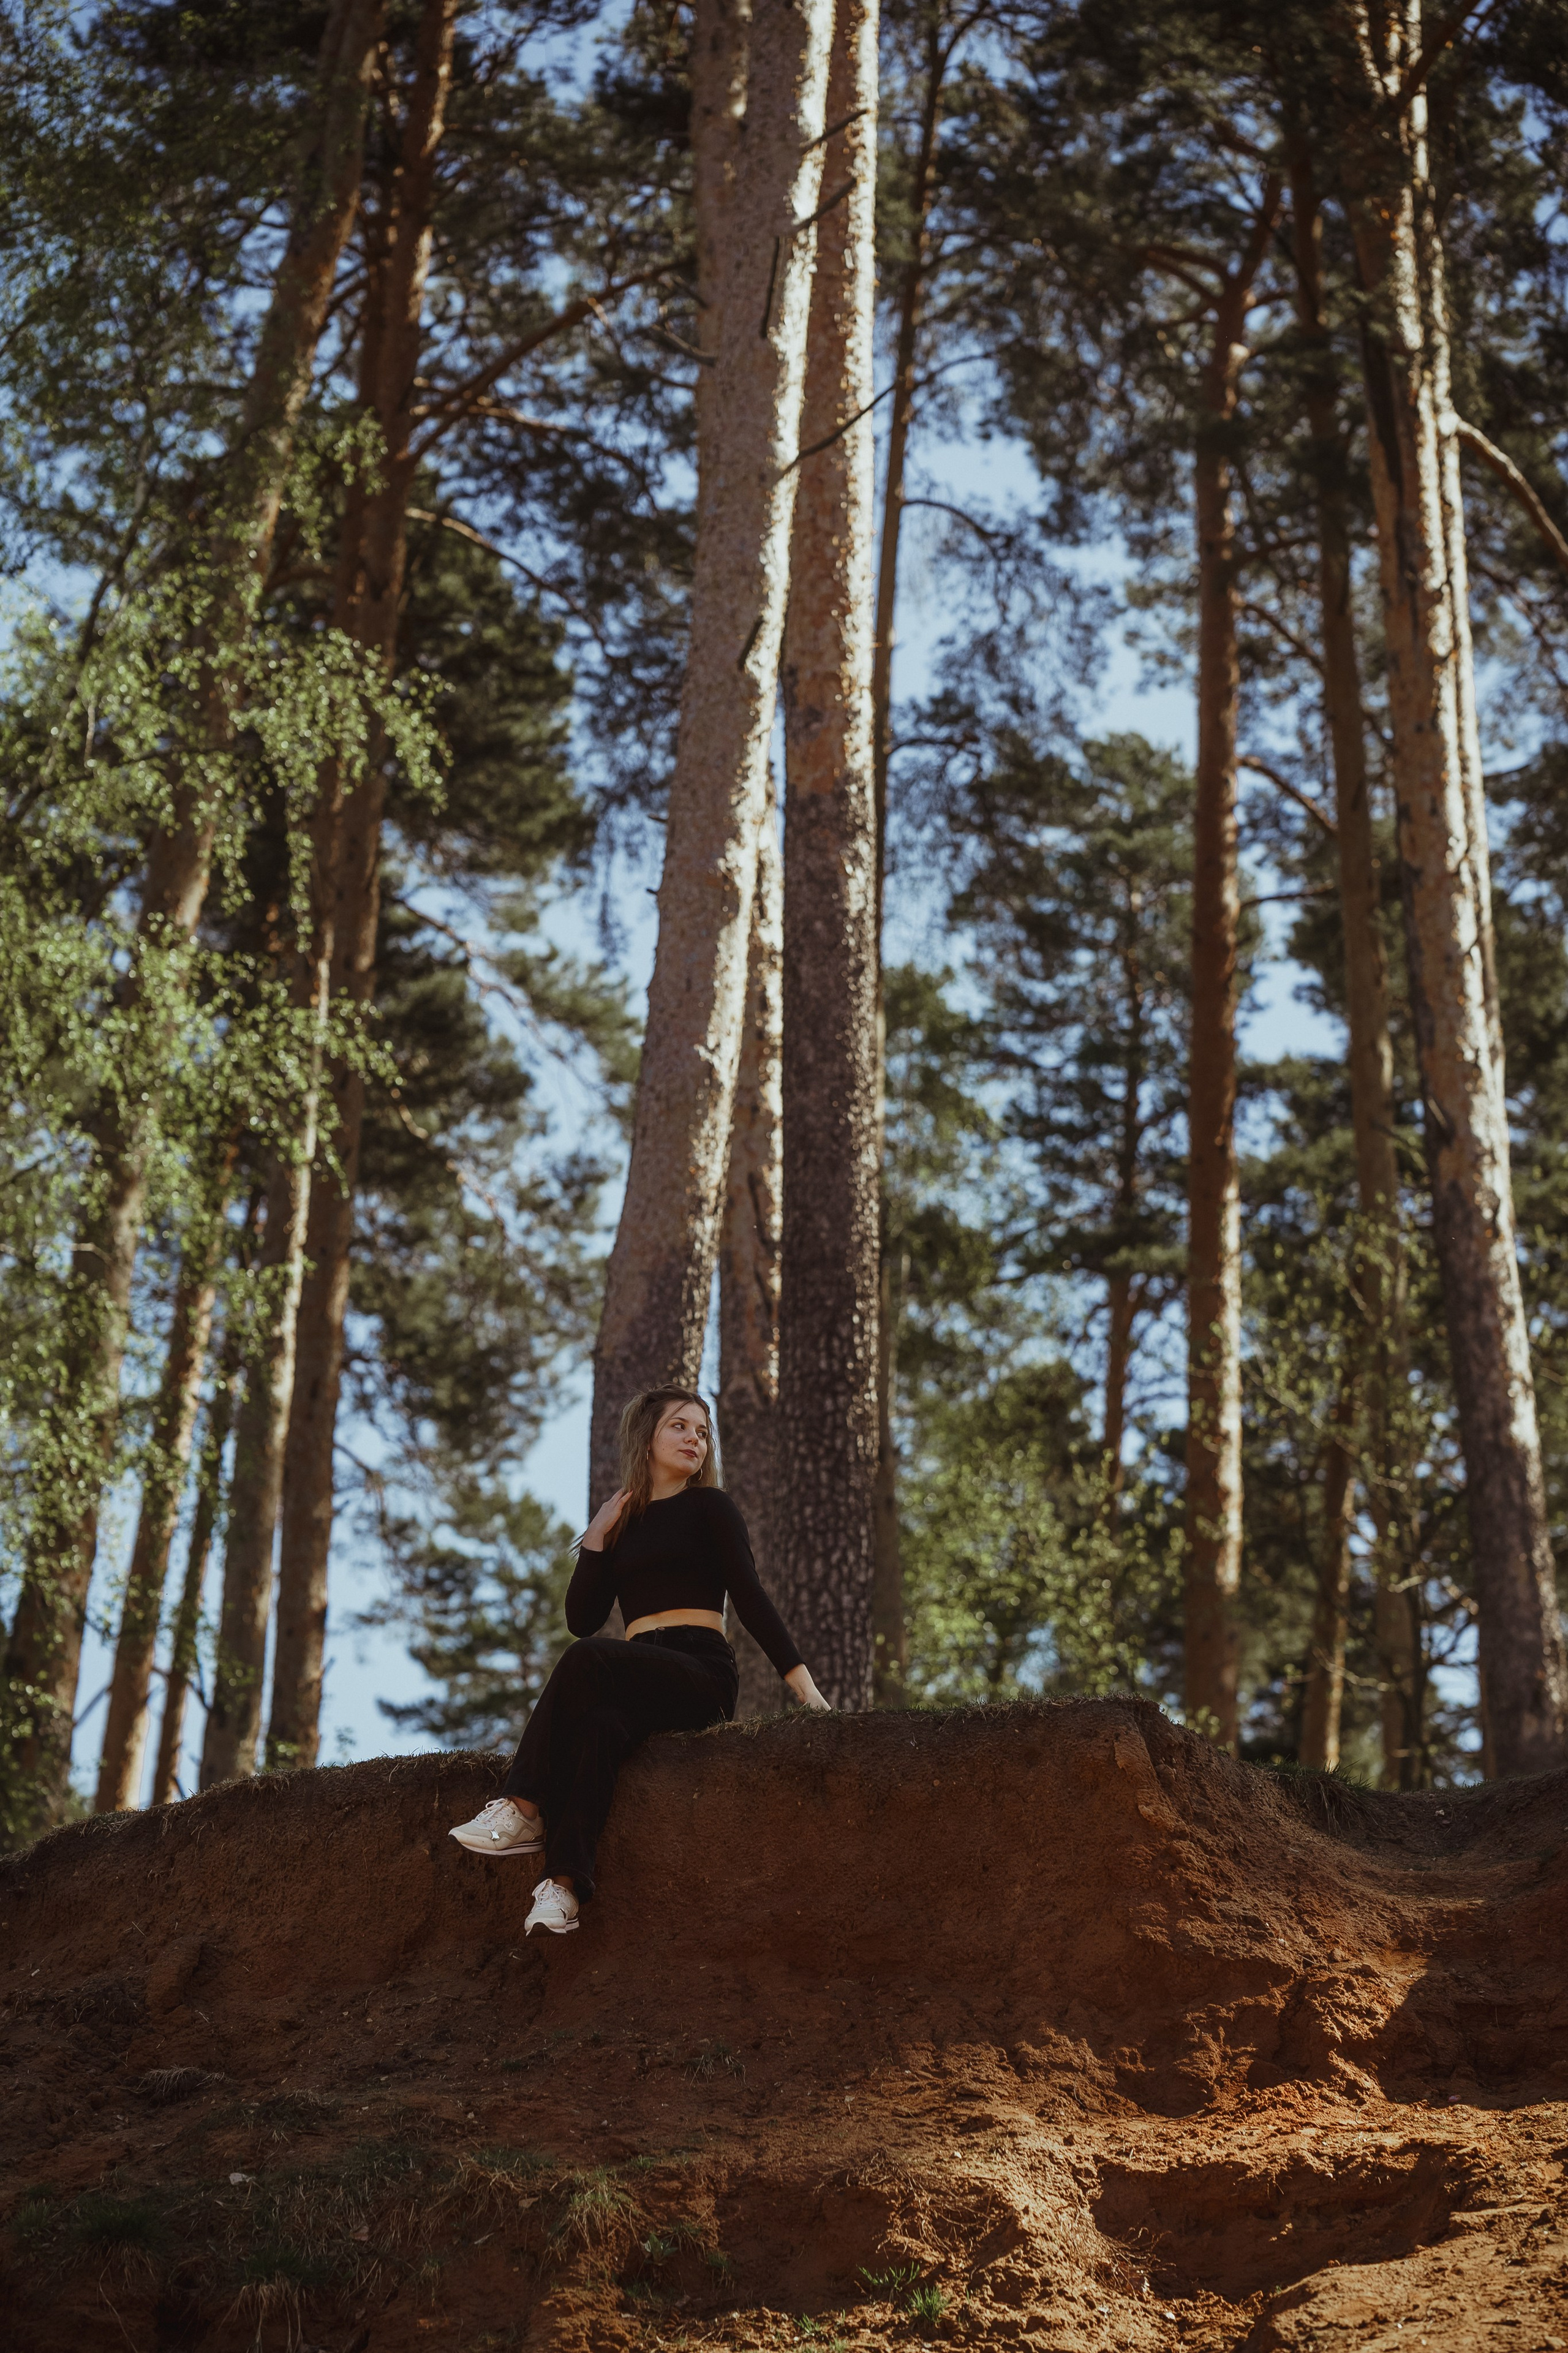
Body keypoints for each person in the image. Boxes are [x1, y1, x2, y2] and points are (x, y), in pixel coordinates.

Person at [448, 1385, 829, 1935]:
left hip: (700, 1671)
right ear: (647, 1437)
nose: (694, 1438)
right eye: (680, 1426)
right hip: (638, 1671)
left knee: (585, 1660)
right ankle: (564, 1887)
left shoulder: (712, 1507)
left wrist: (802, 1684)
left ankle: (523, 1805)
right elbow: (582, 1615)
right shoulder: (622, 1521)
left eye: (701, 1431)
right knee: (598, 1727)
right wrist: (598, 1538)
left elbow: (750, 1595)